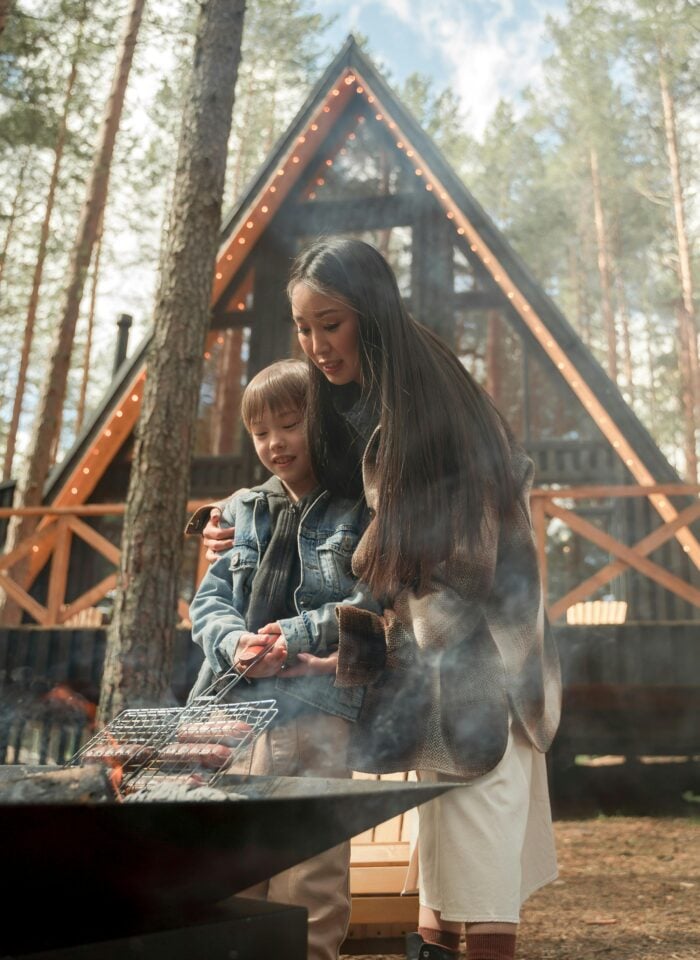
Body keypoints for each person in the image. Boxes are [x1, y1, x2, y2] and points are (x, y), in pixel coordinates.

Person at [204, 238, 562, 960]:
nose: (316, 345)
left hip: (480, 665)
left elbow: (448, 577)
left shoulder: (430, 409)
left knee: (478, 873)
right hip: (436, 672)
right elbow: (330, 510)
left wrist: (338, 653)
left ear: (368, 310)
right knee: (444, 872)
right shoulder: (369, 397)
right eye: (303, 328)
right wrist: (231, 526)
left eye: (329, 323)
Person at [187, 358, 381, 960]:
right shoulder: (242, 509)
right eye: (260, 432)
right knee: (231, 864)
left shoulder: (359, 507)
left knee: (309, 868)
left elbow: (369, 600)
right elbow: (211, 599)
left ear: (319, 422)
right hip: (230, 710)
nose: (274, 443)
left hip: (314, 705)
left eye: (290, 424)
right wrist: (233, 642)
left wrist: (293, 635)